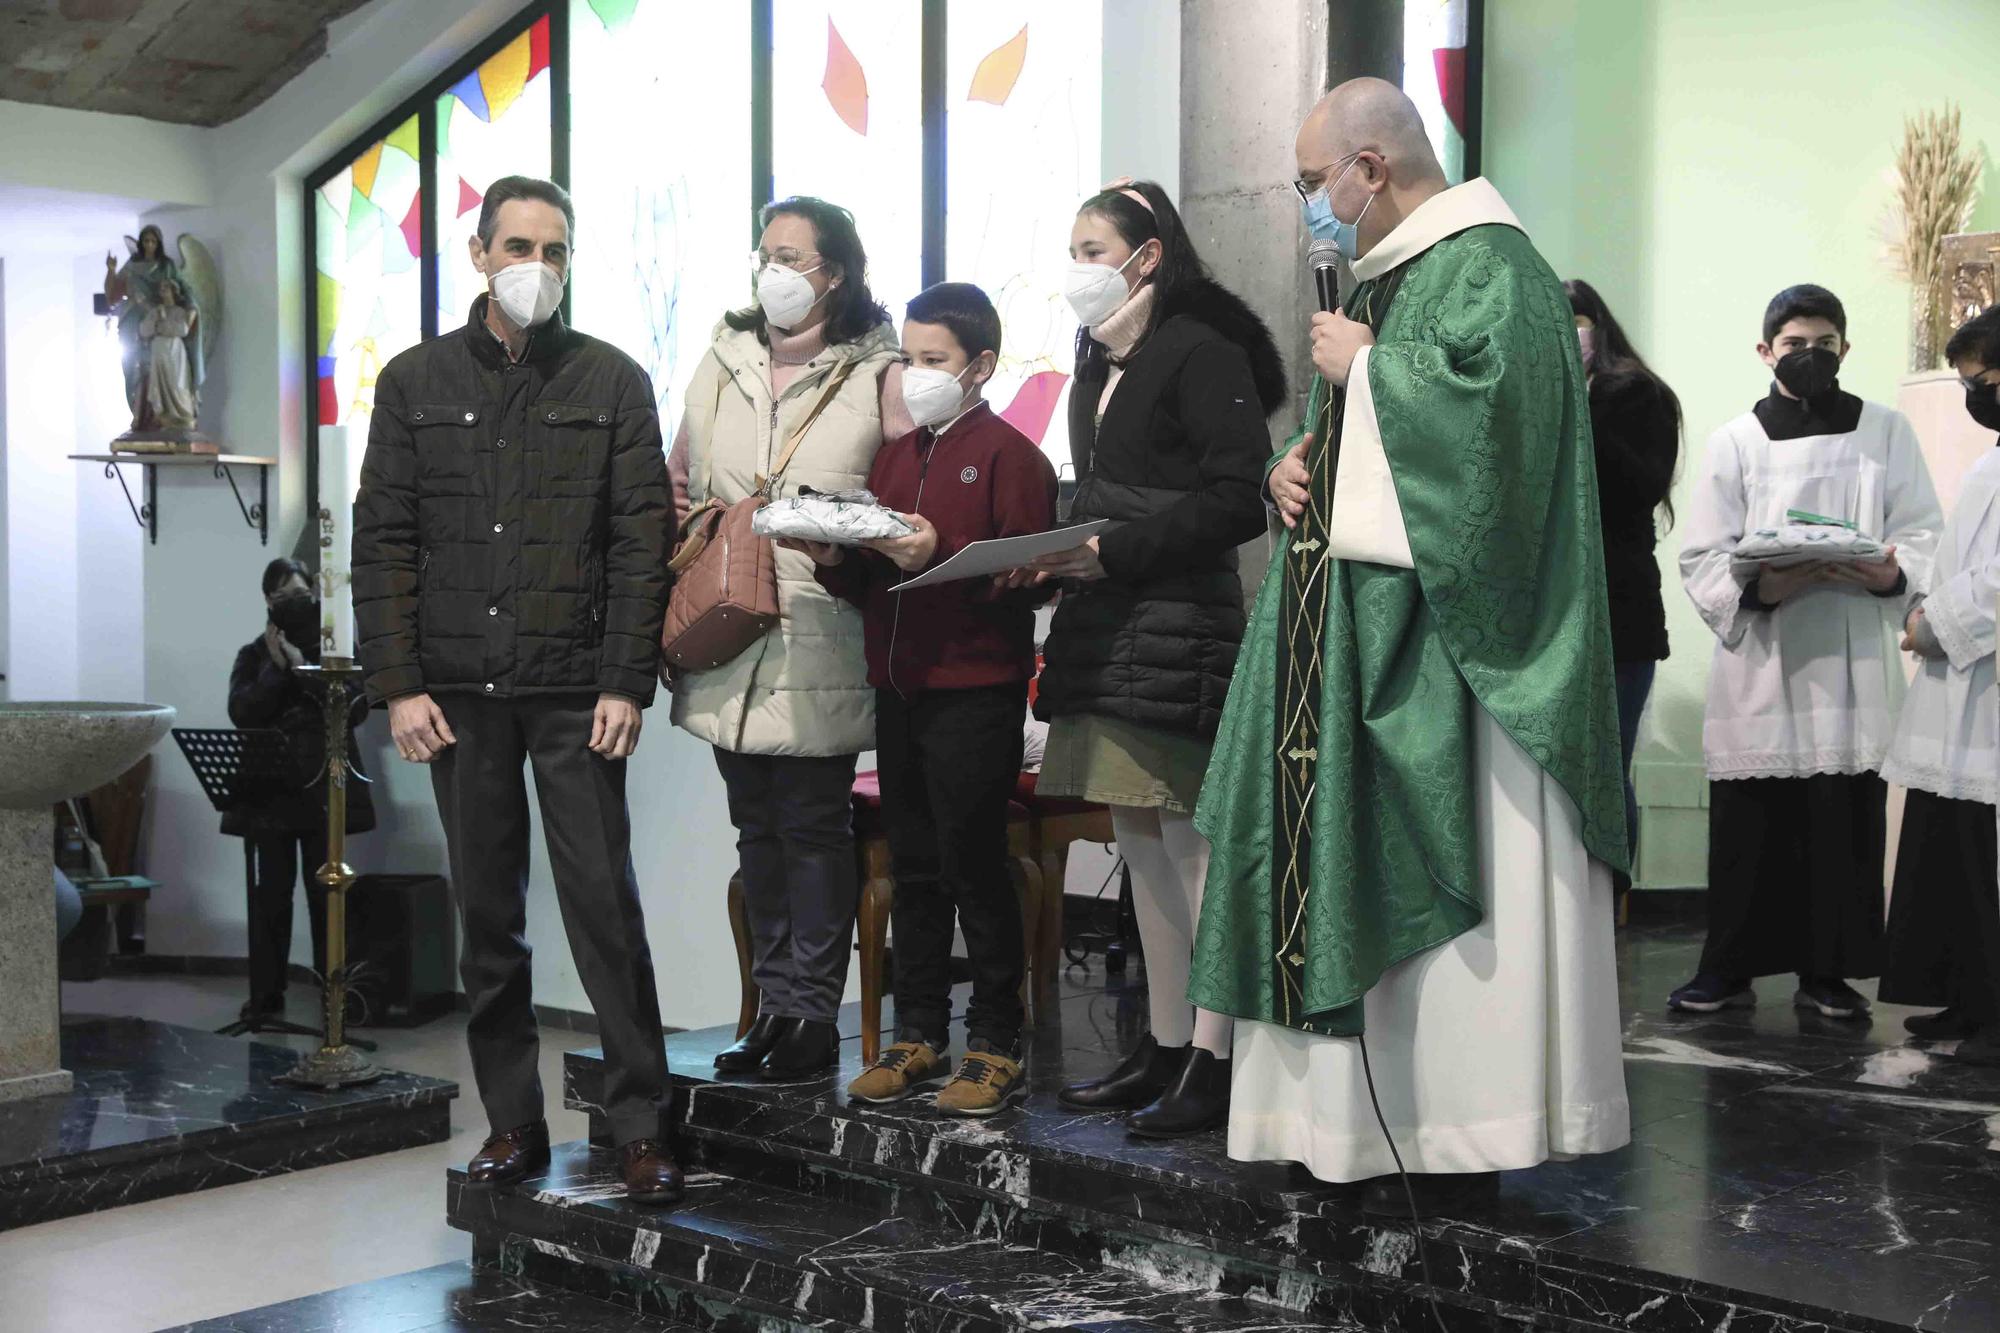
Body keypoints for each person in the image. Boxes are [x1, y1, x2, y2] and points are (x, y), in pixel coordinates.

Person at [1189, 78, 1631, 1205]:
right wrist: (1295, 468)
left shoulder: (1492, 266)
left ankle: (1453, 1130)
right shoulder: (1403, 274)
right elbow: (1370, 450)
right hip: (1345, 633)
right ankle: (1342, 1130)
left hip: (1453, 663)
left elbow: (1501, 445)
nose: (1308, 208)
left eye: (1308, 184)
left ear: (1368, 168)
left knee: (1438, 890)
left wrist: (1371, 374)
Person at [352, 175, 680, 1204]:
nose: (536, 264)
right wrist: (398, 685)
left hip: (576, 690)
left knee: (603, 911)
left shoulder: (613, 382)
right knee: (487, 919)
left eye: (555, 248)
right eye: (518, 245)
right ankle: (511, 1123)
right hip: (456, 693)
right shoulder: (412, 381)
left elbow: (642, 545)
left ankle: (639, 1124)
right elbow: (383, 541)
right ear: (481, 254)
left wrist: (626, 678)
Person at [1024, 177, 1286, 1138]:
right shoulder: (1100, 361)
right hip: (1108, 626)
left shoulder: (1199, 351)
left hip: (1178, 623)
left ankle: (1218, 1058)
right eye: (1074, 248)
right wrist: (1052, 554)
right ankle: (1166, 1043)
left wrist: (1109, 548)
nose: (1078, 269)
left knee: (1192, 846)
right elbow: (1108, 491)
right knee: (1137, 843)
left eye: (1094, 249)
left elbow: (1235, 497)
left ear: (1148, 257)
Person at [795, 282, 1058, 1115]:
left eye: (933, 359)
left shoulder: (1016, 458)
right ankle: (916, 1031)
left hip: (976, 687)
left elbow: (1025, 582)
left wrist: (943, 551)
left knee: (971, 859)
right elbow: (871, 583)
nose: (915, 374)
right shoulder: (894, 457)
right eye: (908, 357)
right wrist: (834, 554)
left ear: (980, 366)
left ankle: (994, 1039)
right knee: (911, 864)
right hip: (899, 684)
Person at [668, 197, 913, 1082]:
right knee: (755, 828)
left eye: (795, 256)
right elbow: (679, 479)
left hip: (822, 624)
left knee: (812, 824)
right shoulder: (719, 364)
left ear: (835, 272)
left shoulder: (879, 373)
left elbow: (904, 505)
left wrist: (826, 525)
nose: (774, 270)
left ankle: (813, 1014)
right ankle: (771, 1007)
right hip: (729, 622)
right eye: (766, 253)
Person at [1673, 284, 1941, 1019]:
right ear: (1766, 352)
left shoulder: (1884, 432)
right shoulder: (1736, 441)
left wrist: (1893, 572)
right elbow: (1700, 553)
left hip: (1851, 654)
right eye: (1795, 345)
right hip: (1766, 654)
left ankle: (1830, 974)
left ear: (1846, 349)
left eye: (1825, 343)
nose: (1811, 356)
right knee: (1752, 824)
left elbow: (1922, 530)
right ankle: (1727, 968)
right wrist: (1765, 589)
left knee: (1841, 820)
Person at [1879, 305, 2000, 1066]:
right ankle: (1967, 993)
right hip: (1963, 682)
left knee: (1986, 860)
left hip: (1984, 681)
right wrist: (1925, 605)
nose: (1975, 395)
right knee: (1955, 849)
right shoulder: (1991, 462)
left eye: (1983, 378)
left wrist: (1935, 623)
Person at [1567, 279, 1681, 908]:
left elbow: (1633, 484)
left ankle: (1610, 908)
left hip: (1619, 611)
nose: (1570, 336)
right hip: (1559, 612)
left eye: (1577, 322)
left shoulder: (1634, 393)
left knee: (1606, 769)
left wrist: (1573, 409)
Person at [224, 557, 375, 1024]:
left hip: (321, 791)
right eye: (281, 597)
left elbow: (356, 708)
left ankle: (335, 998)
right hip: (268, 793)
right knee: (270, 896)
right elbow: (242, 711)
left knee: (325, 894)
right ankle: (266, 996)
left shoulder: (334, 650)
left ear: (314, 592)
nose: (292, 604)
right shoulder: (253, 654)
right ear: (267, 602)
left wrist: (300, 667)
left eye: (299, 593)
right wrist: (275, 669)